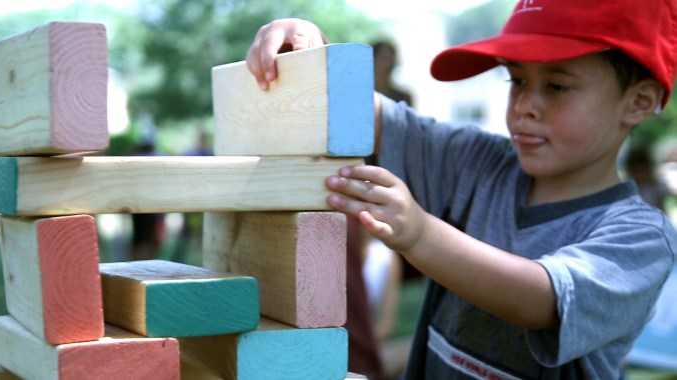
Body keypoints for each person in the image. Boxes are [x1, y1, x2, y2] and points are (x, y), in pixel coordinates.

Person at [245, 1, 677, 378]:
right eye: (517, 81)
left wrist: (419, 234)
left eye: (557, 86)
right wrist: (310, 51)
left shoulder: (640, 237)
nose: (525, 106)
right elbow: (357, 107)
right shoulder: (478, 163)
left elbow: (541, 300)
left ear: (638, 101)